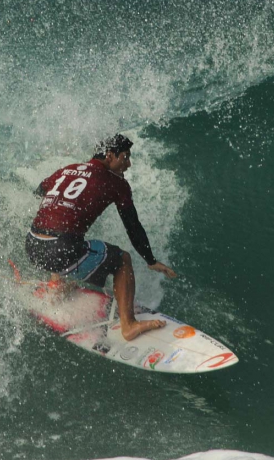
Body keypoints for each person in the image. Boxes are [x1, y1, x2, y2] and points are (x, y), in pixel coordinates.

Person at [25, 134, 177, 341]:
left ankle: (56, 286)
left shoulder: (67, 169)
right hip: (59, 251)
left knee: (70, 236)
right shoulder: (116, 183)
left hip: (32, 245)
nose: (129, 164)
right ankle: (129, 325)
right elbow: (133, 226)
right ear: (109, 155)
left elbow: (39, 191)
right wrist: (150, 260)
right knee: (122, 259)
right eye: (125, 157)